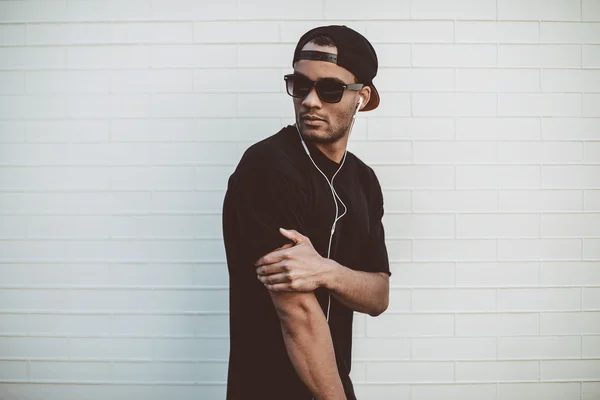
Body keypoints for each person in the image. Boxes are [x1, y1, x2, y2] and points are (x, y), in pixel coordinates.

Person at [221, 25, 391, 400]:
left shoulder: (363, 180)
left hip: (331, 385)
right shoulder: (267, 169)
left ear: (360, 97)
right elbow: (296, 313)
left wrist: (327, 272)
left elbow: (378, 295)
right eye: (300, 86)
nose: (310, 101)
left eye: (329, 89)